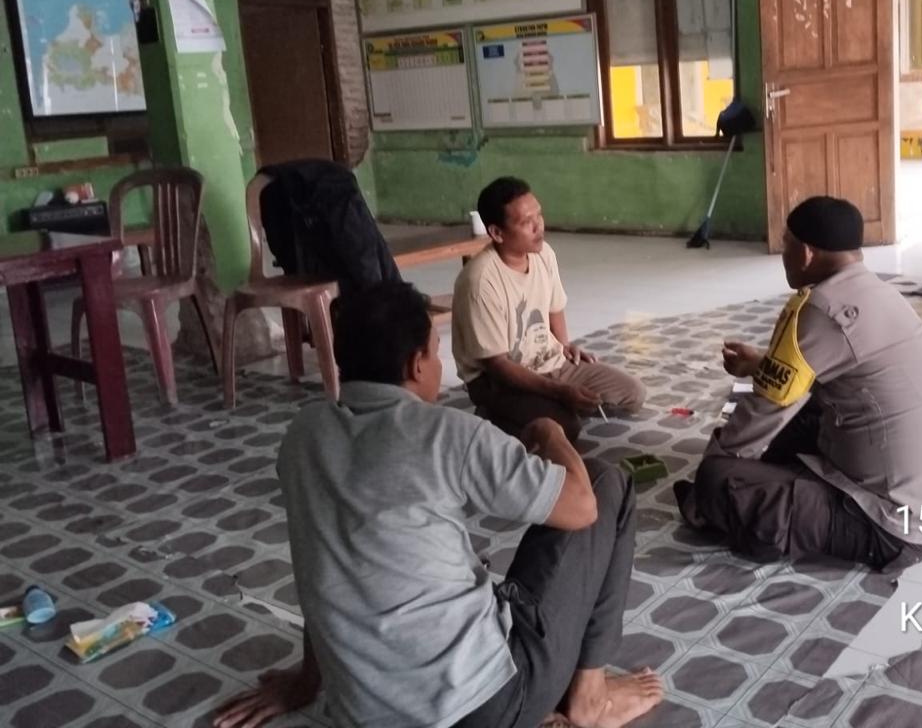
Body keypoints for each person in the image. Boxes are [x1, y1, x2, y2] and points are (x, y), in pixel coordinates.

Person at [213, 282, 662, 728]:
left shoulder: (304, 435)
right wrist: (551, 434)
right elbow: (581, 508)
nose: (439, 362)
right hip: (492, 706)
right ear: (416, 364)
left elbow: (322, 566)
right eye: (434, 352)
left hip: (368, 716)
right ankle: (591, 701)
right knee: (605, 483)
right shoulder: (447, 432)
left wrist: (307, 681)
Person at [676, 196, 922, 571]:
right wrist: (761, 365)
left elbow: (764, 410)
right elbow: (815, 370)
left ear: (805, 253)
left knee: (718, 479)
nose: (784, 254)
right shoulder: (876, 292)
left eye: (786, 244)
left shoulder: (822, 309)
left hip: (894, 529)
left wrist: (716, 465)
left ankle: (770, 521)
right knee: (805, 413)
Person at [453, 177, 646, 443]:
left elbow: (555, 306)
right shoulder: (480, 282)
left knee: (634, 394)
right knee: (565, 428)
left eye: (539, 215)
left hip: (548, 360)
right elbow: (497, 365)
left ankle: (544, 407)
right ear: (497, 233)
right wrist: (559, 391)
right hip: (498, 380)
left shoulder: (544, 255)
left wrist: (564, 346)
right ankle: (494, 412)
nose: (539, 226)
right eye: (526, 222)